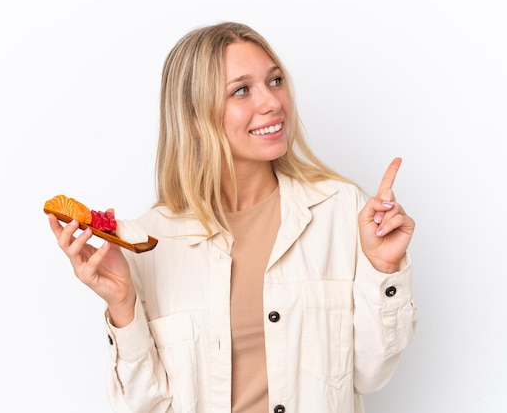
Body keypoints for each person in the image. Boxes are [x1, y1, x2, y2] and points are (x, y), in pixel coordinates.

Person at [47, 21, 417, 413]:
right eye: (241, 90)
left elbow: (370, 375)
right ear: (193, 115)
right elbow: (145, 406)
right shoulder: (149, 240)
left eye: (275, 81)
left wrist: (382, 268)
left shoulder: (341, 210)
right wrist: (122, 304)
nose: (272, 102)